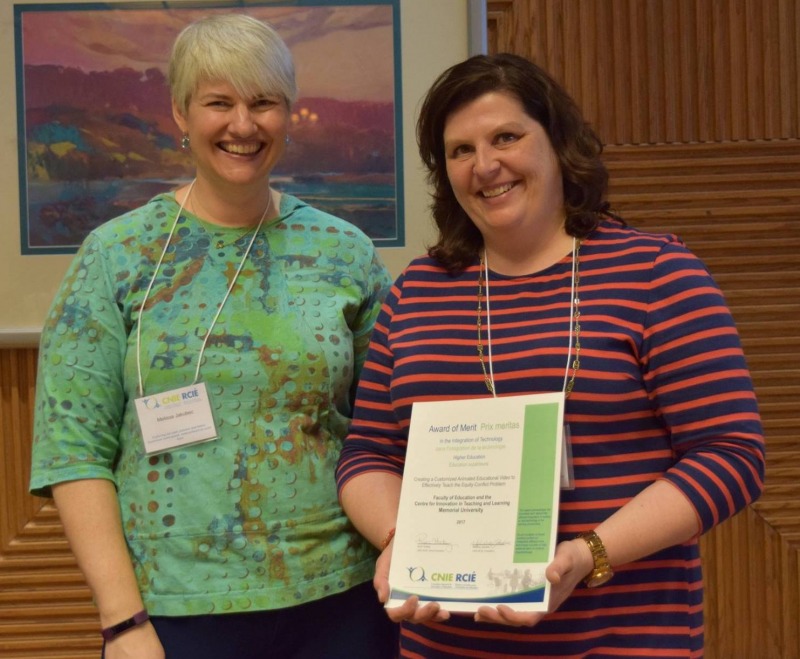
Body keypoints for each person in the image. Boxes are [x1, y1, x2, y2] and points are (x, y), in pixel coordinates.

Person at [335, 53, 765, 657]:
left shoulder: (658, 275)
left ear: (558, 141)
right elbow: (369, 451)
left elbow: (732, 456)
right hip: (443, 645)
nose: (485, 166)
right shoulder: (415, 294)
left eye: (505, 137)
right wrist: (402, 540)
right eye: (460, 151)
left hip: (621, 641)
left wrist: (588, 555)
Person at [29, 14, 397, 659]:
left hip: (342, 600)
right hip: (176, 610)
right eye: (218, 103)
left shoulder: (347, 252)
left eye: (264, 103)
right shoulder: (114, 255)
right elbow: (73, 453)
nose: (243, 125)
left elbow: (388, 427)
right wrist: (122, 623)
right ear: (180, 112)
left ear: (289, 114)